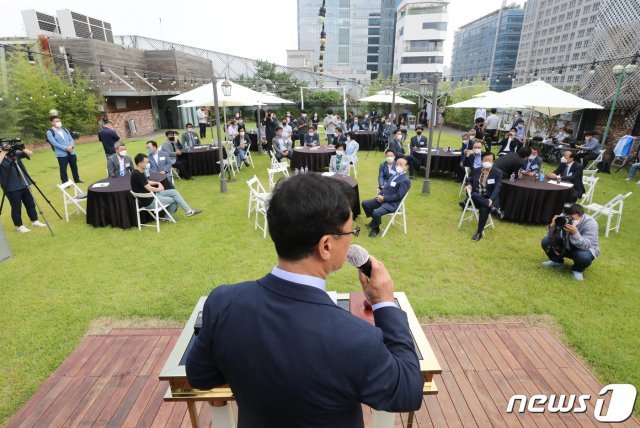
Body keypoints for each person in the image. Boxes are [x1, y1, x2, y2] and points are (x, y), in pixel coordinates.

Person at [185, 173, 423, 426]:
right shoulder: (355, 339)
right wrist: (384, 302)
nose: (353, 238)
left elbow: (200, 376)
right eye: (351, 231)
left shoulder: (223, 302)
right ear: (326, 246)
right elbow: (408, 391)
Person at [541, 203, 599, 281]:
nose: (568, 220)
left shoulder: (591, 223)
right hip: (566, 244)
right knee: (546, 241)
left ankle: (577, 270)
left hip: (583, 249)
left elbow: (586, 245)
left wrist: (575, 233)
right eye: (567, 216)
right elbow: (551, 236)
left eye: (571, 218)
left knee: (583, 257)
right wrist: (552, 225)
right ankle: (557, 261)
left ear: (580, 216)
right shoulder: (563, 217)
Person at [130, 154, 202, 218]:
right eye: (146, 162)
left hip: (152, 196)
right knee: (175, 200)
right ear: (140, 164)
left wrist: (157, 183)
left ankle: (188, 211)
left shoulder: (136, 172)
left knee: (174, 192)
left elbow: (146, 182)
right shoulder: (138, 175)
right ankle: (168, 217)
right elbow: (149, 188)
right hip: (151, 201)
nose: (148, 164)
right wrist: (159, 188)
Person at [0, 148, 47, 233]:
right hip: (11, 187)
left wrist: (21, 147)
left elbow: (30, 153)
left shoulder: (14, 154)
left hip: (24, 183)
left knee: (30, 204)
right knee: (16, 207)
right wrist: (3, 152)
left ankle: (34, 221)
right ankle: (19, 226)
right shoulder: (2, 156)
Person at [362, 157, 411, 238]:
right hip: (382, 199)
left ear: (406, 167)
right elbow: (386, 187)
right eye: (397, 164)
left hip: (392, 204)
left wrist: (384, 199)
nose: (398, 166)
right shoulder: (394, 175)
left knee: (376, 213)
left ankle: (375, 228)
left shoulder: (405, 180)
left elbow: (399, 196)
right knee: (365, 204)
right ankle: (374, 222)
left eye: (401, 164)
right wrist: (380, 195)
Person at [464, 152, 504, 241]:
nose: (487, 162)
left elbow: (497, 188)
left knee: (484, 209)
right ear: (482, 161)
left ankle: (479, 233)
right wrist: (468, 184)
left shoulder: (497, 173)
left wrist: (490, 199)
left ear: (493, 162)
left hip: (490, 199)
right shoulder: (476, 170)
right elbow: (469, 179)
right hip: (476, 198)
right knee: (474, 194)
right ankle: (493, 209)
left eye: (490, 160)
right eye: (485, 160)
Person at [46, 114, 83, 184]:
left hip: (71, 151)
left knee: (74, 166)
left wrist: (71, 146)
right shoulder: (49, 132)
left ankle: (77, 180)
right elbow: (54, 143)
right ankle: (65, 182)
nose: (58, 122)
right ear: (52, 123)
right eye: (56, 121)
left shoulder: (65, 130)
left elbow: (71, 139)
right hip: (61, 154)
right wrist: (66, 148)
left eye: (59, 121)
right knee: (63, 169)